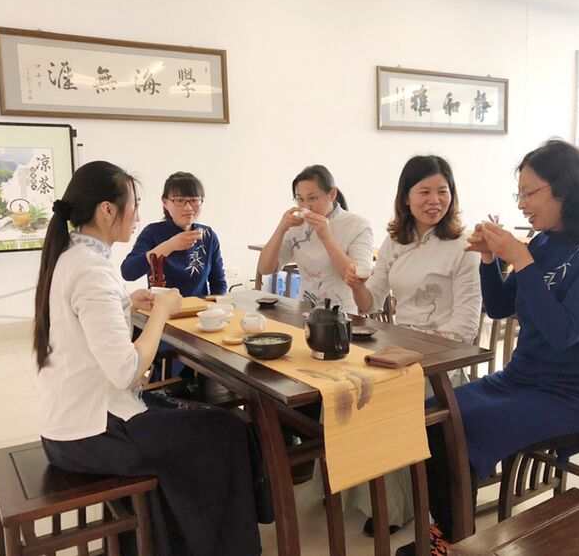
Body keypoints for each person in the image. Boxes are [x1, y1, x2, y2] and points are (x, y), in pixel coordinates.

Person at [395, 140, 579, 556]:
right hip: (522, 379)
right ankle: (452, 534)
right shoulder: (543, 243)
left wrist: (522, 260)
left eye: (529, 192)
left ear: (564, 188)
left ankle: (452, 541)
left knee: (456, 427)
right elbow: (501, 306)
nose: (522, 204)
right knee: (431, 414)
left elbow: (565, 332)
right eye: (518, 194)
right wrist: (489, 261)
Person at [34, 161, 262, 556]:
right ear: (108, 210)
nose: (137, 215)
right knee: (226, 429)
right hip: (93, 431)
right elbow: (127, 371)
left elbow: (90, 320)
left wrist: (127, 302)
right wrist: (160, 312)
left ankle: (167, 541)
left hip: (74, 419)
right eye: (134, 205)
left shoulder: (74, 256)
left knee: (200, 419)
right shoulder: (91, 270)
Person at [342, 155, 481, 536]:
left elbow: (466, 325)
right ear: (406, 197)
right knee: (349, 389)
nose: (434, 201)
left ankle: (407, 505)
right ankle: (385, 502)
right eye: (424, 192)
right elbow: (370, 303)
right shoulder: (395, 242)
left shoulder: (464, 245)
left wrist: (420, 352)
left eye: (442, 191)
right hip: (398, 350)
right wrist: (357, 285)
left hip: (442, 358)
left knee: (389, 399)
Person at [257, 164, 373, 314]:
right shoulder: (296, 225)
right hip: (304, 311)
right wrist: (281, 228)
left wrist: (326, 237)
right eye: (300, 199)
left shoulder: (358, 225)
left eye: (312, 198)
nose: (306, 206)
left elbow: (357, 279)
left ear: (332, 194)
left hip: (343, 315)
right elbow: (265, 269)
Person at [121, 171, 226, 297]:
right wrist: (169, 246)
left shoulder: (208, 235)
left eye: (194, 200)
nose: (188, 208)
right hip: (162, 308)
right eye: (179, 200)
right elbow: (128, 272)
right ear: (165, 203)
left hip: (199, 308)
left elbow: (218, 283)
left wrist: (216, 306)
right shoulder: (153, 232)